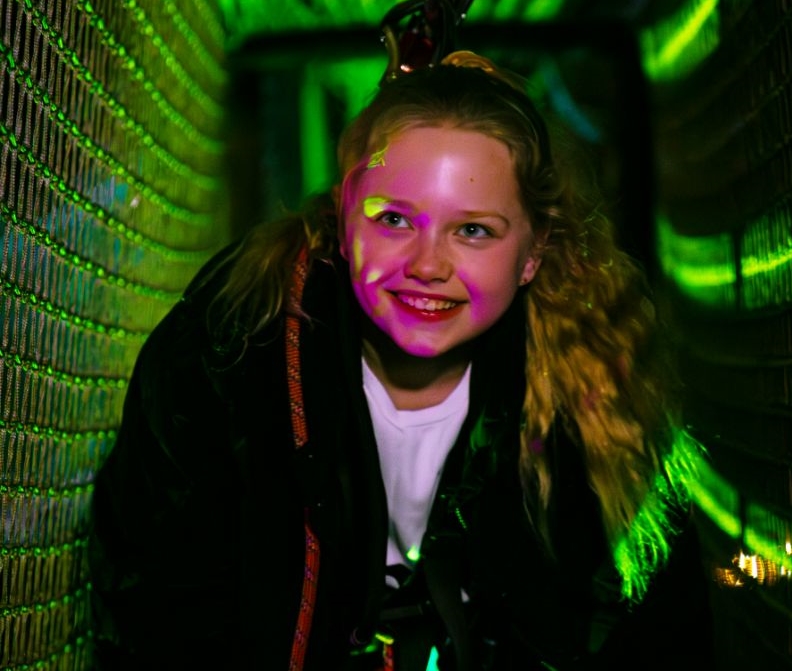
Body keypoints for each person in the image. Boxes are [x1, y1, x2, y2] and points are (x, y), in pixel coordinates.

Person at [89, 51, 712, 670]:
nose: (428, 266)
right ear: (342, 216)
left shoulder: (595, 392)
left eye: (473, 231)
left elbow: (645, 632)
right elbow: (159, 601)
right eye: (393, 219)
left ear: (533, 251)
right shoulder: (229, 350)